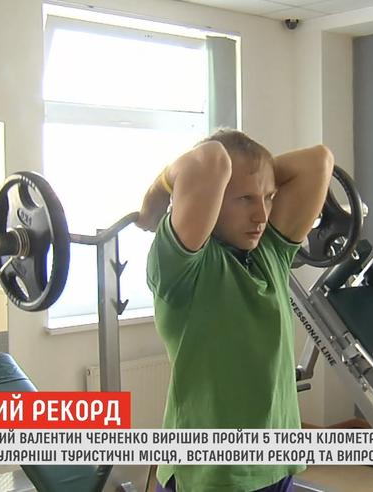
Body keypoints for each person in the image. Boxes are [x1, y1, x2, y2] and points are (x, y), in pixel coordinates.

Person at [136, 129, 333, 492]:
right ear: (210, 196)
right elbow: (210, 160)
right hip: (213, 473)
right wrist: (157, 194)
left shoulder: (270, 252)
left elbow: (318, 161)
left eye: (269, 198)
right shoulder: (180, 268)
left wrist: (256, 172)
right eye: (244, 199)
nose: (261, 215)